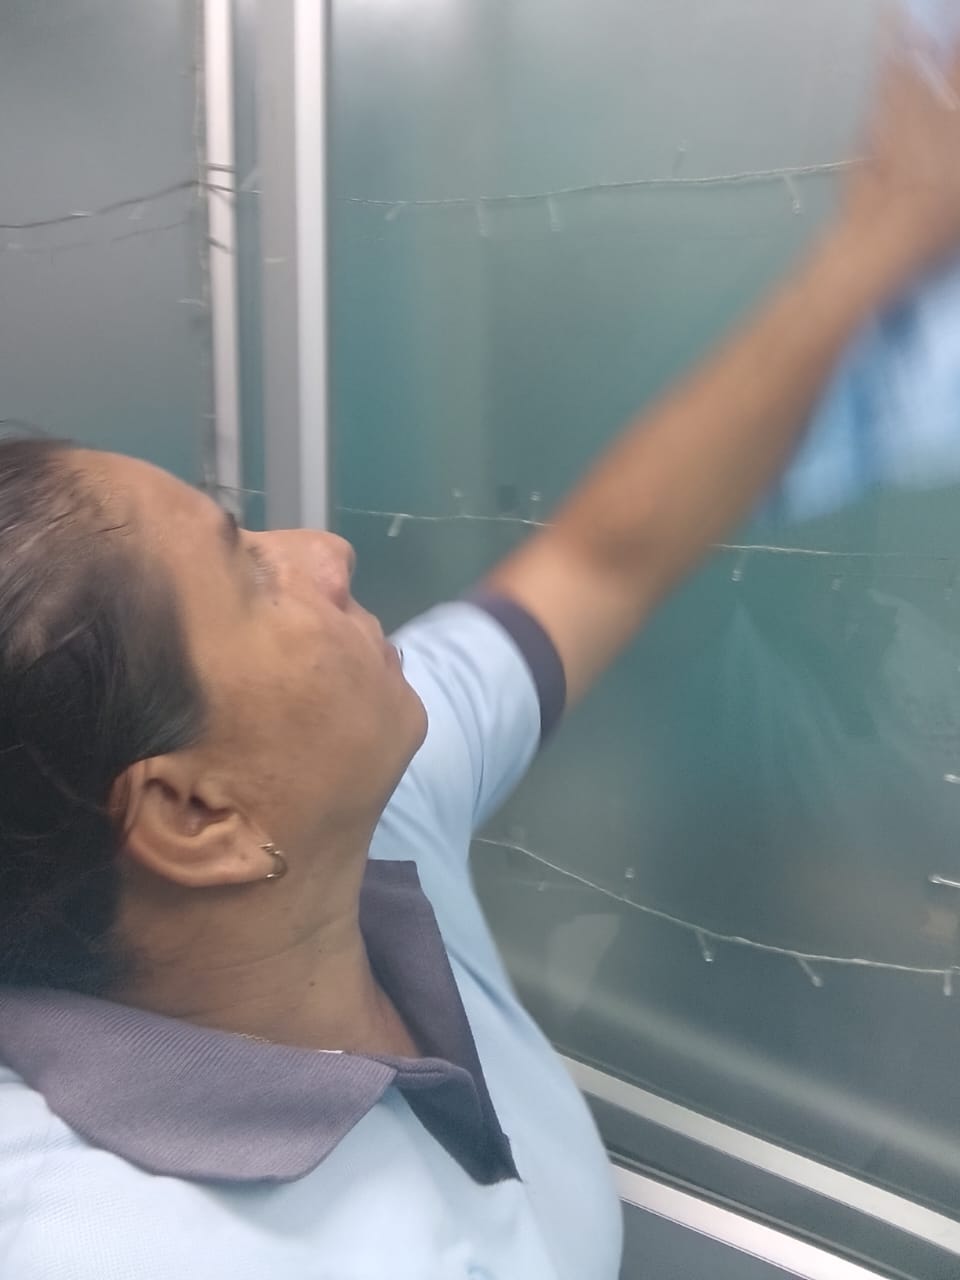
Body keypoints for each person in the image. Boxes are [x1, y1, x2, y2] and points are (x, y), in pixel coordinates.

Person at [2, 38, 960, 1280]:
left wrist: (878, 244)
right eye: (249, 570)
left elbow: (603, 560)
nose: (326, 551)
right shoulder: (127, 1247)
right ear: (194, 814)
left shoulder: (357, 827)